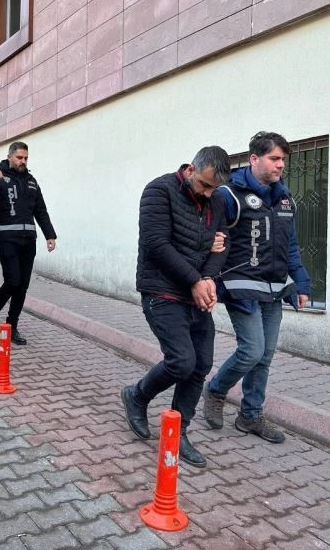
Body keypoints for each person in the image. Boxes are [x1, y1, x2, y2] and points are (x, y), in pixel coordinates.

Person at [121, 146, 231, 468]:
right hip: (162, 291)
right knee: (182, 361)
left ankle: (179, 432)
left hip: (197, 292)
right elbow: (157, 245)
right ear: (191, 168)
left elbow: (225, 243)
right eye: (204, 185)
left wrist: (209, 276)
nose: (208, 193)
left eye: (215, 188)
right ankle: (137, 395)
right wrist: (197, 276)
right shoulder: (159, 191)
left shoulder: (219, 200)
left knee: (201, 365)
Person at [203, 131, 311, 444]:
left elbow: (290, 246)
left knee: (265, 356)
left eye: (283, 160)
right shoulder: (228, 195)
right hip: (241, 287)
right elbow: (207, 231)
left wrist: (300, 283)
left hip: (275, 288)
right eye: (274, 158)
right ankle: (216, 390)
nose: (280, 165)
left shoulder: (285, 199)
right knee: (251, 350)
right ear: (254, 159)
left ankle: (250, 416)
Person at [0, 141, 56, 345]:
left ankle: (12, 325)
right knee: (13, 281)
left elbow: (40, 210)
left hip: (28, 239)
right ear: (9, 157)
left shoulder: (32, 181)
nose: (23, 161)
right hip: (5, 237)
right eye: (19, 157)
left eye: (26, 158)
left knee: (22, 286)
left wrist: (50, 235)